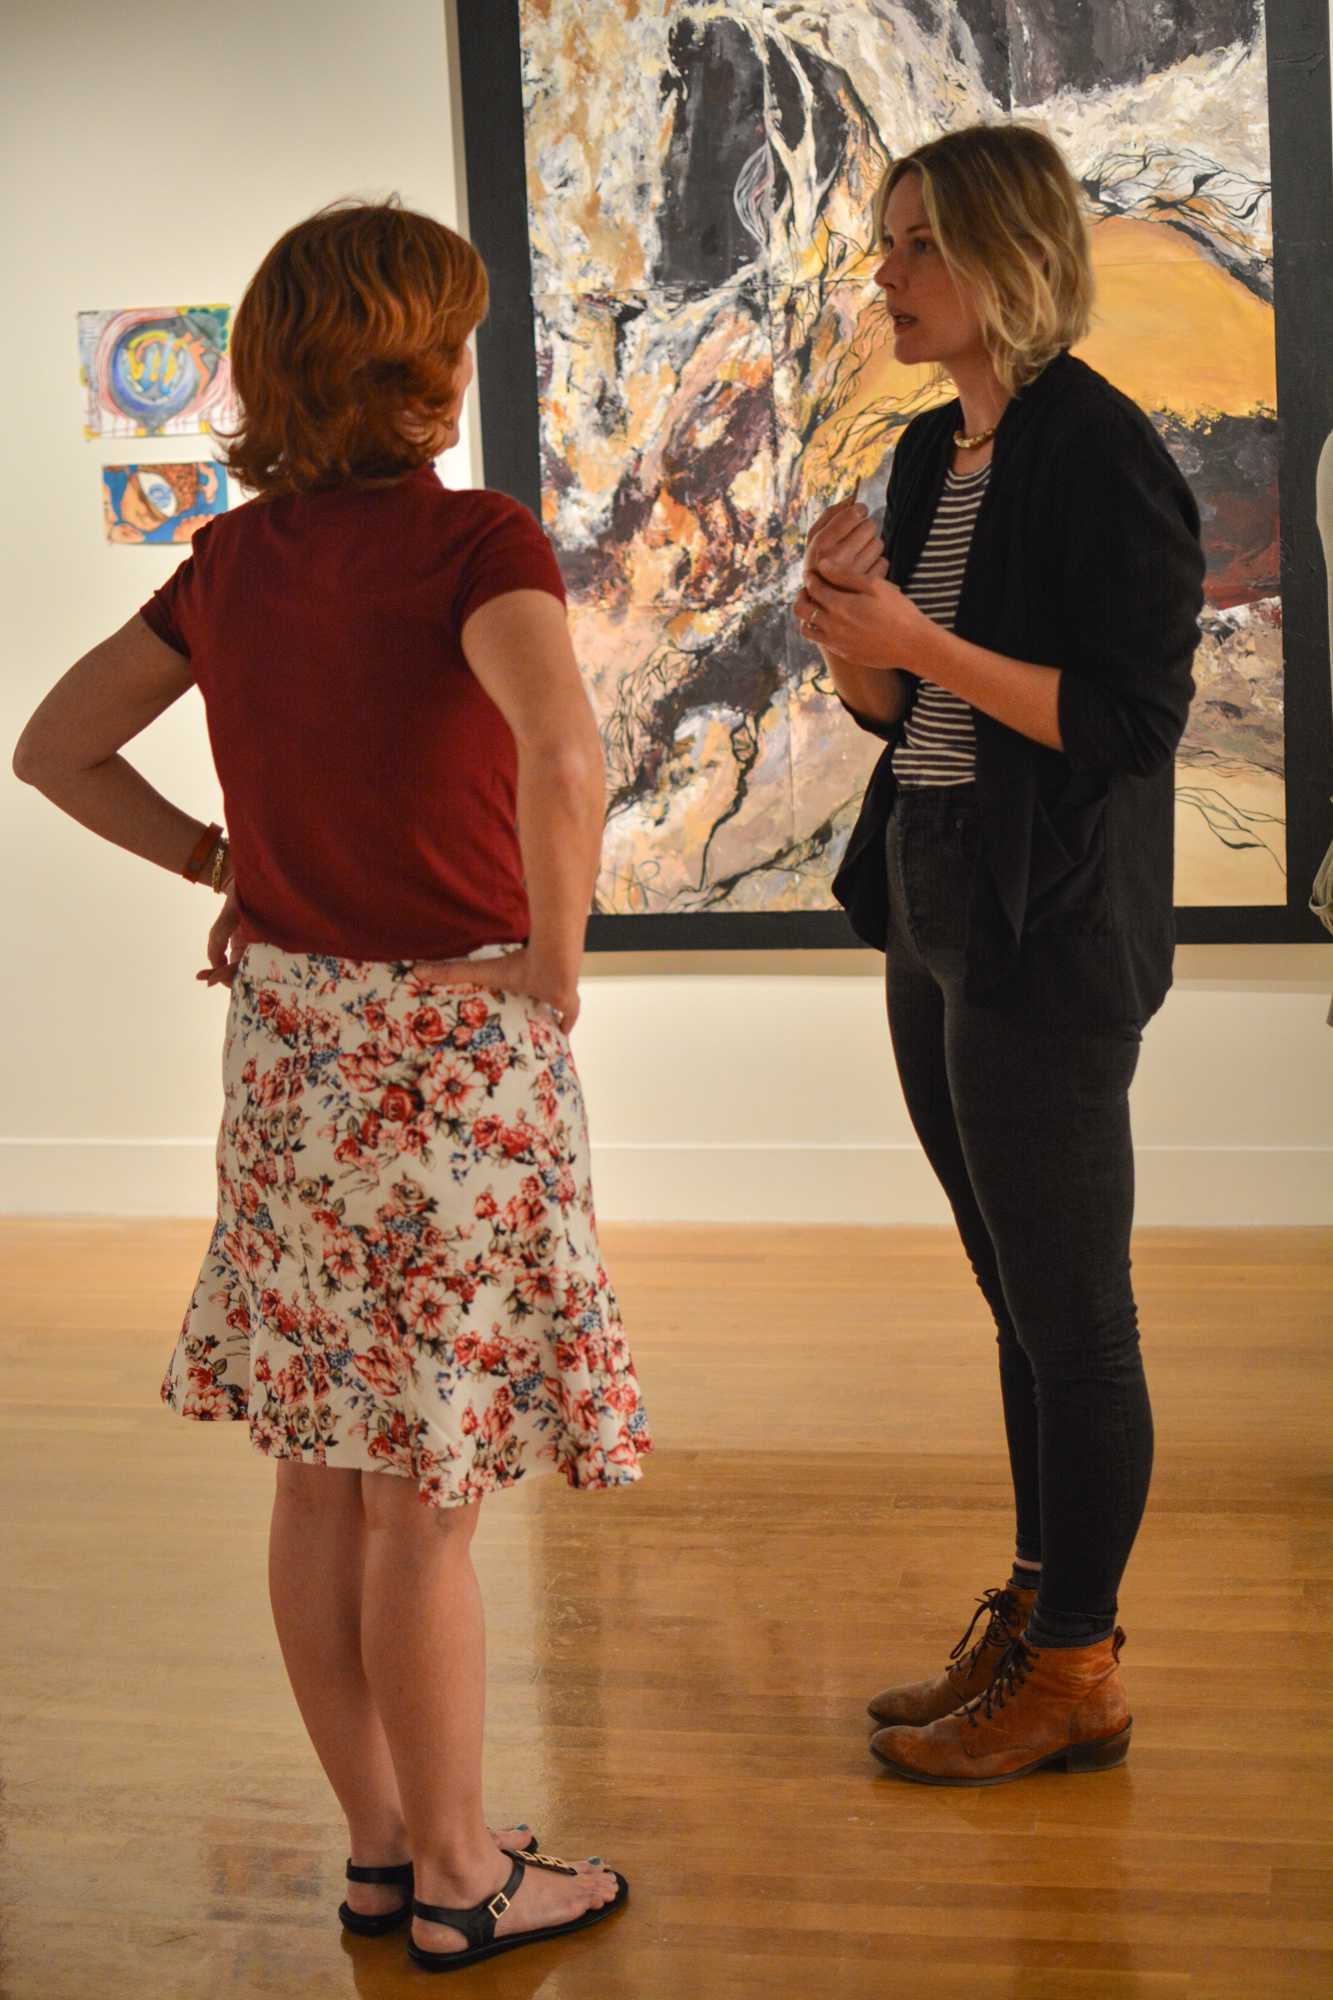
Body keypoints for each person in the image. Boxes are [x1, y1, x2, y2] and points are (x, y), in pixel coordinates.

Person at [14, 198, 648, 1969]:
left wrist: (227, 859)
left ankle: (383, 1847)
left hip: (291, 1051)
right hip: (447, 1059)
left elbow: (53, 747)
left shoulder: (234, 562)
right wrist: (555, 960)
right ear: (416, 360)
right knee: (421, 1491)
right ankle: (462, 1879)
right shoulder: (474, 544)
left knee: (320, 1467)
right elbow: (563, 750)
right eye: (454, 332)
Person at [794, 123, 1205, 1784]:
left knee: (1074, 1315)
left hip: (1051, 924)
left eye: (910, 246)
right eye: (885, 245)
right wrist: (848, 645)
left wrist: (909, 641)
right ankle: (1038, 1615)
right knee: (1011, 1295)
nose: (881, 276)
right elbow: (903, 717)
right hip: (937, 890)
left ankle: (1081, 1672)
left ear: (998, 256)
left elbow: (1124, 722)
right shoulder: (923, 457)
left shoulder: (1098, 452)